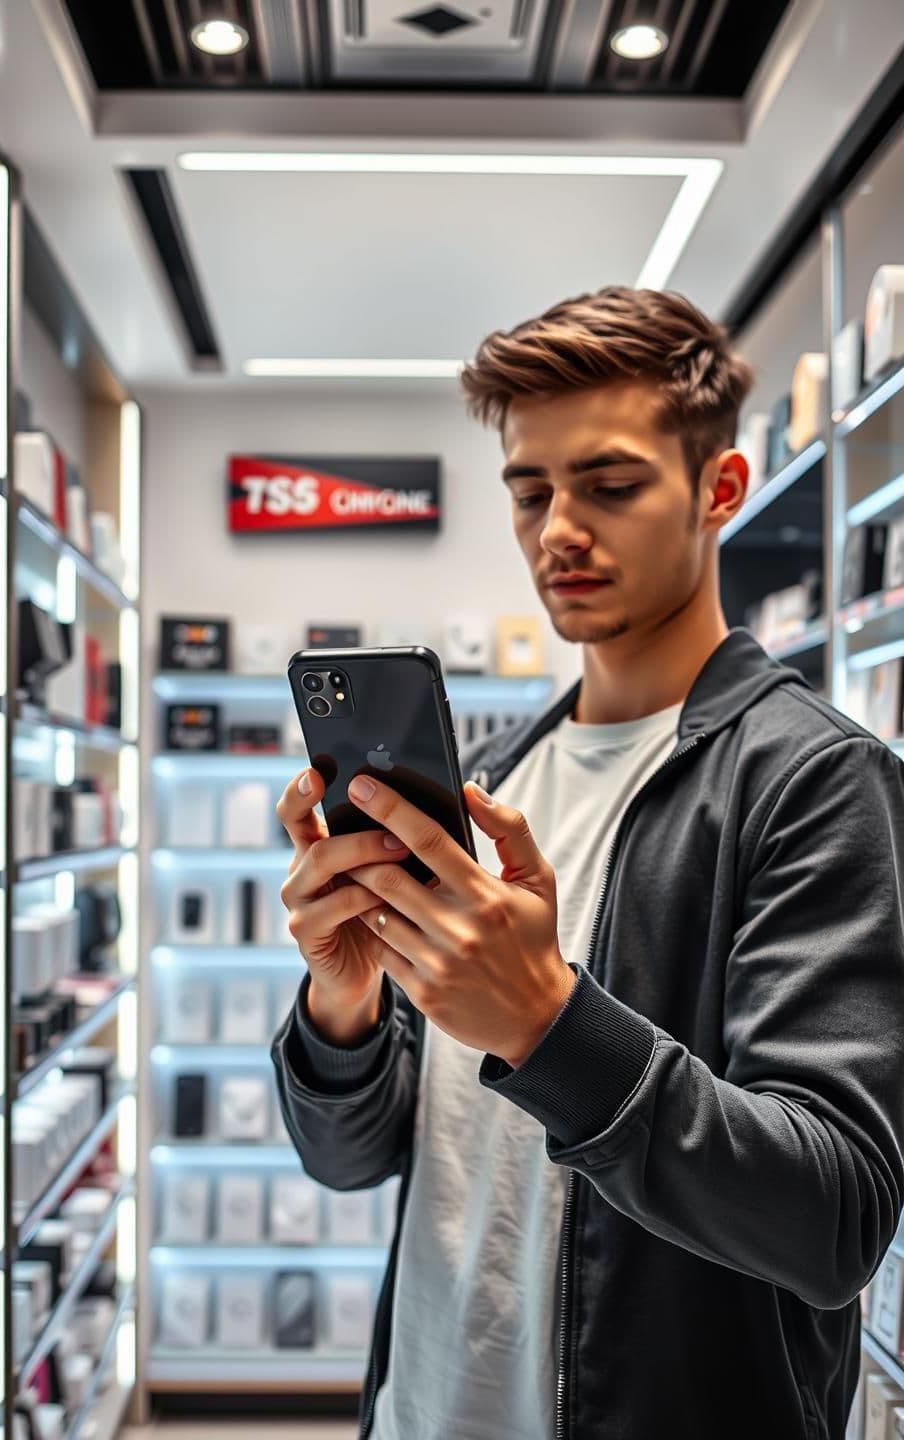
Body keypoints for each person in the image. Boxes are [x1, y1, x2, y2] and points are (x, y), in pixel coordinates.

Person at [271, 286, 904, 1440]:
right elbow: (348, 1159)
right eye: (530, 492)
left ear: (718, 490)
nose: (559, 529)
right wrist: (342, 1006)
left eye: (609, 486)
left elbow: (835, 1216)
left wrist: (548, 1026)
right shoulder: (490, 784)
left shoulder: (816, 782)